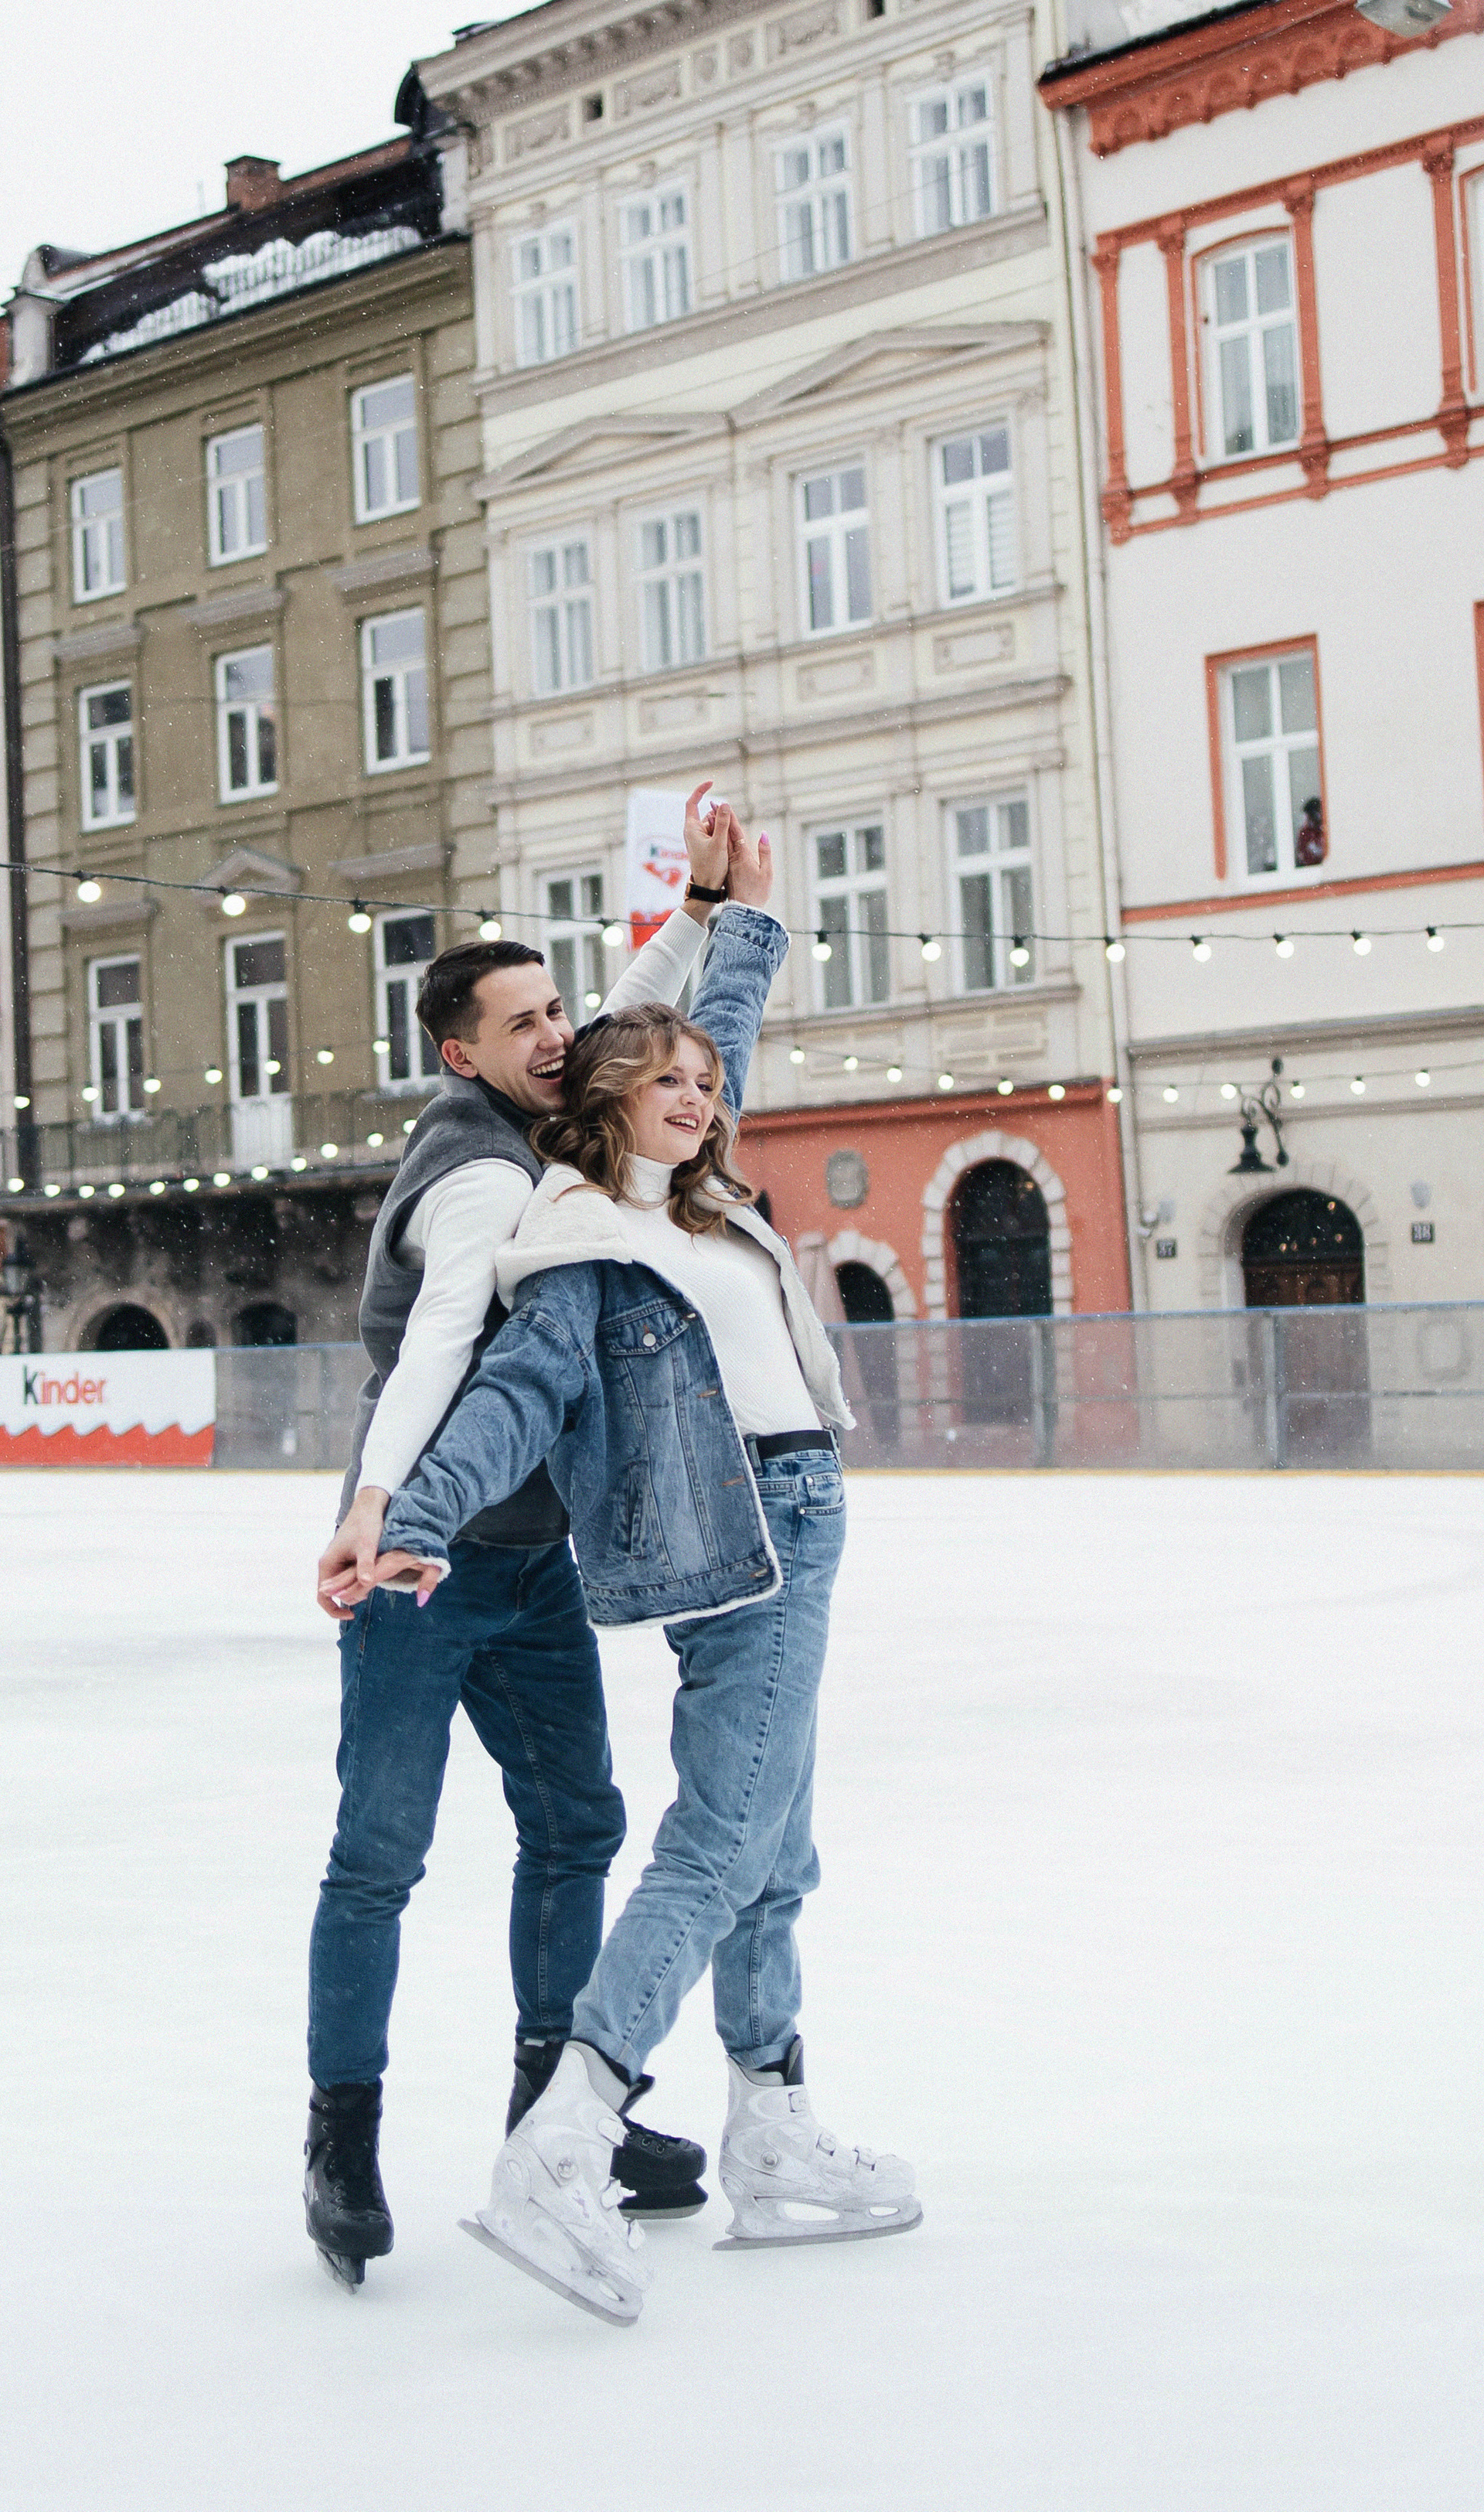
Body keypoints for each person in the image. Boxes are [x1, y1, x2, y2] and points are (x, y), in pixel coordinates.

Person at [351, 993, 921, 2325]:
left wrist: (739, 921)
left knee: (776, 1848)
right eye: (666, 1077)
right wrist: (416, 1511)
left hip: (802, 1518)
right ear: (605, 1095)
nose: (699, 1092)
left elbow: (710, 1018)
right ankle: (571, 2127)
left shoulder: (700, 1199)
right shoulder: (585, 1233)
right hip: (749, 1539)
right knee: (721, 1845)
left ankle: (772, 2126)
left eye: (710, 1078)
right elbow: (518, 1392)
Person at [301, 785, 785, 2289]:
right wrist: (377, 1513)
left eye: (554, 1011)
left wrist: (702, 919)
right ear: (460, 1051)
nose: (554, 1037)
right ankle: (341, 2133)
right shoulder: (478, 1178)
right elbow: (439, 1354)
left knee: (576, 1824)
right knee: (379, 1853)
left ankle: (544, 2110)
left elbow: (621, 1020)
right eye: (522, 1024)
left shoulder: (541, 1115)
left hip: (527, 1568)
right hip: (423, 1564)